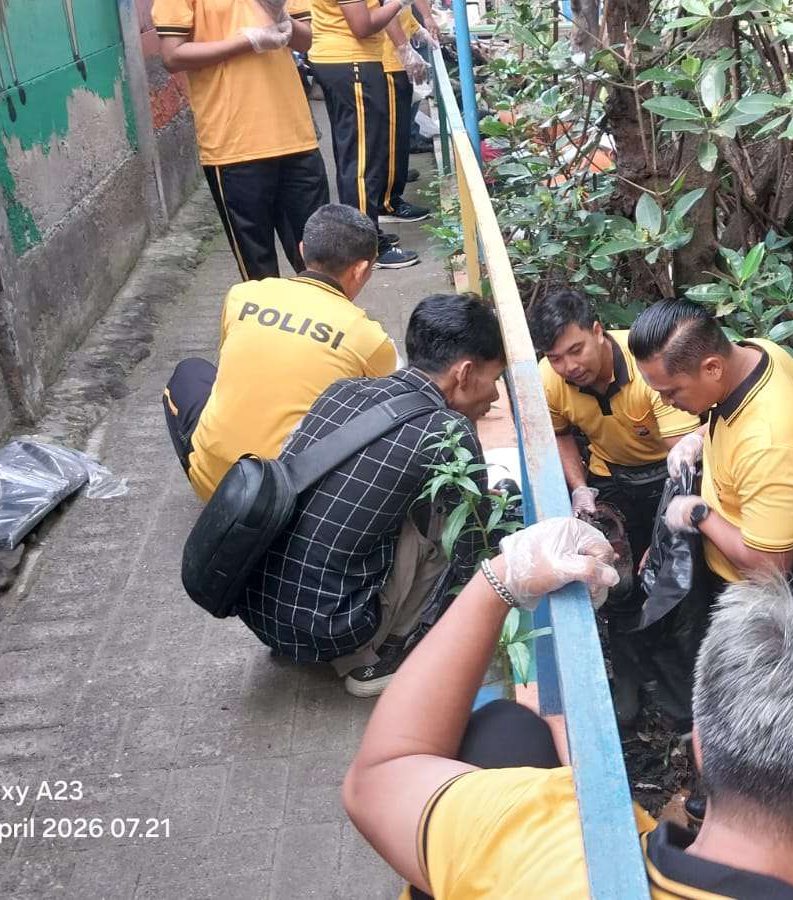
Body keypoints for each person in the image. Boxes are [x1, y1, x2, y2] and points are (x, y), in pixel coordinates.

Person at [341, 533, 793, 900]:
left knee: (503, 731)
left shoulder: (551, 839)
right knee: (511, 730)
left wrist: (501, 577)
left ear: (701, 747)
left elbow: (380, 777)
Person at [240, 294, 505, 696]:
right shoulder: (447, 430)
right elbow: (473, 548)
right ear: (465, 373)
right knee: (448, 528)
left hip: (260, 609)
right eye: (495, 378)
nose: (496, 396)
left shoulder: (342, 391)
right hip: (331, 629)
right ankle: (384, 655)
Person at [527, 289, 700, 726]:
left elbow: (683, 461)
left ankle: (676, 690)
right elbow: (562, 432)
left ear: (599, 332)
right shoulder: (551, 380)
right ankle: (628, 680)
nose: (569, 367)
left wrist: (661, 539)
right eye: (556, 357)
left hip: (668, 474)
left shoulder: (649, 372)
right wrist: (580, 487)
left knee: (668, 582)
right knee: (616, 582)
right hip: (611, 478)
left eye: (576, 350)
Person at [162, 203, 398, 501]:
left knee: (191, 372)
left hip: (217, 486)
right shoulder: (369, 337)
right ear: (361, 268)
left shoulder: (243, 295)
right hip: (295, 501)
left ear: (302, 250)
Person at [629, 299, 793, 587]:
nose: (666, 403)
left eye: (672, 391)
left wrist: (698, 513)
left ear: (712, 368)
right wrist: (696, 437)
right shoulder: (761, 354)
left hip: (768, 602)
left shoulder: (770, 445)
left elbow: (769, 568)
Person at [155, 0, 331, 280]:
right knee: (258, 270)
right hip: (233, 144)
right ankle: (264, 324)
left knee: (320, 259)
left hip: (296, 136)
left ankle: (326, 321)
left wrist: (280, 15)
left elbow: (305, 41)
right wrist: (246, 42)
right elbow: (172, 55)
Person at [307, 0, 419, 268]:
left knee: (359, 156)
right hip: (350, 61)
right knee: (361, 161)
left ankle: (366, 233)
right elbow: (361, 25)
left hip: (347, 60)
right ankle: (365, 248)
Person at [376, 6, 434, 225]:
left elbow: (402, 9)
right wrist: (404, 48)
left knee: (398, 133)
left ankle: (392, 187)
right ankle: (387, 202)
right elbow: (387, 9)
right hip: (388, 60)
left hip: (394, 57)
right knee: (392, 136)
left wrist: (416, 28)